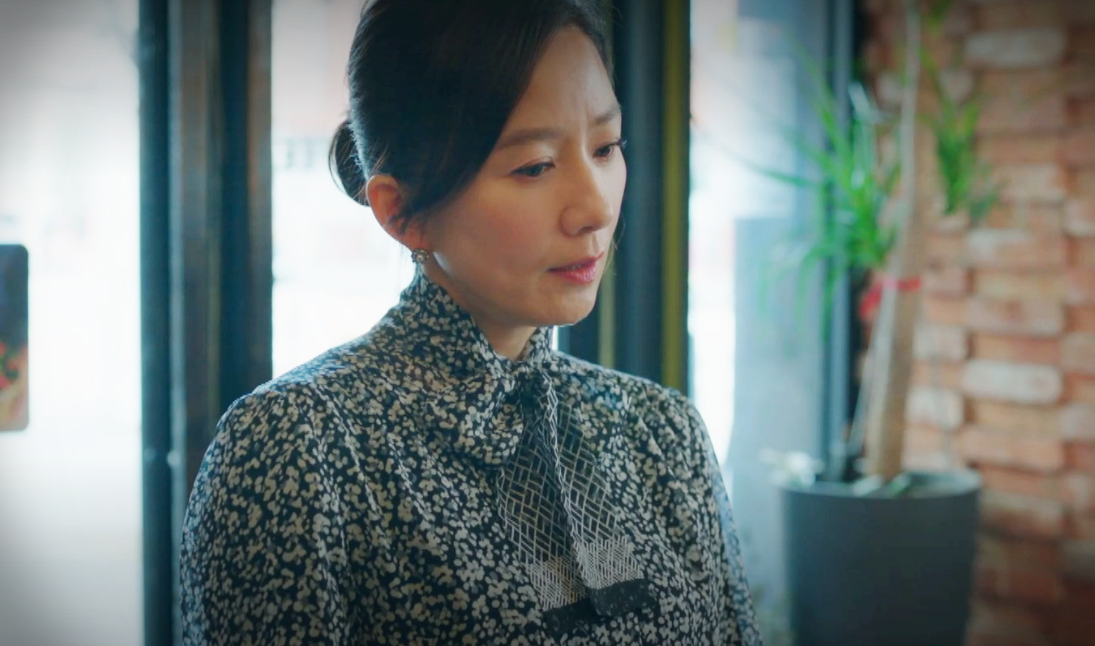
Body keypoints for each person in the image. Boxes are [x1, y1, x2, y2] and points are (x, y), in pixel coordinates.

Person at [180, 0, 761, 644]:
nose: (595, 208)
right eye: (535, 166)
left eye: (606, 146)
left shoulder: (661, 432)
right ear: (401, 212)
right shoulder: (297, 447)